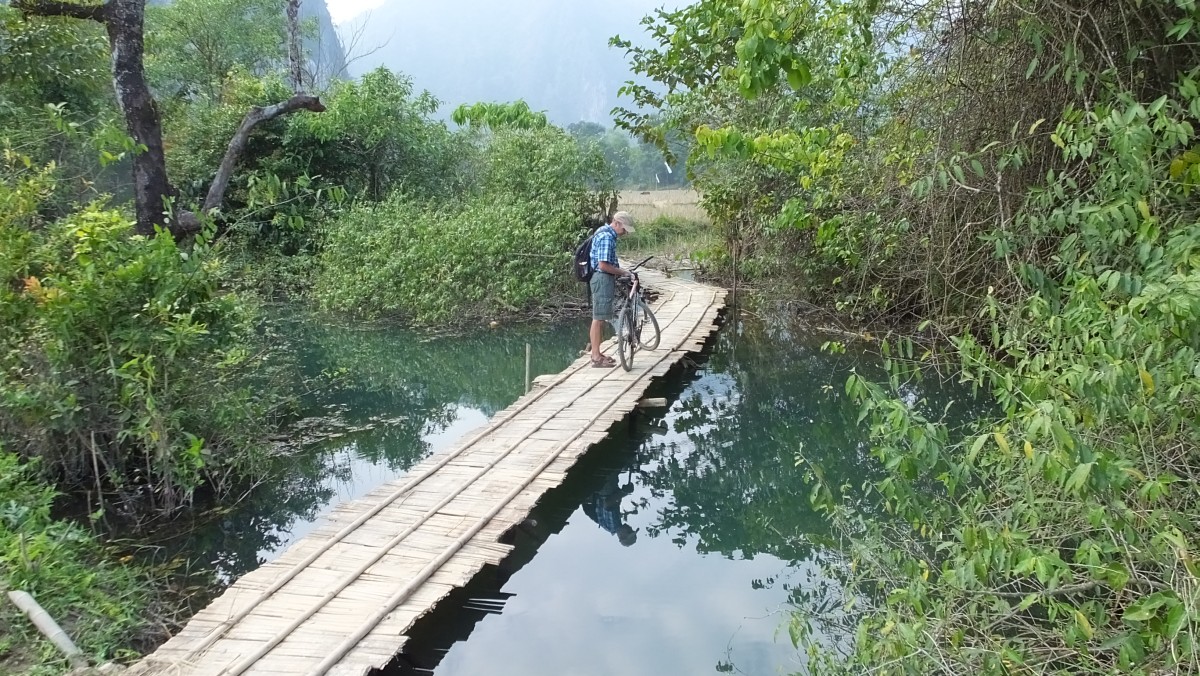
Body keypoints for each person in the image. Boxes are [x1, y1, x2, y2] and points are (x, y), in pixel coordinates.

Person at [588, 211, 635, 368]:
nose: (625, 233)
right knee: (598, 318)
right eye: (624, 229)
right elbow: (603, 265)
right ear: (617, 223)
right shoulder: (607, 237)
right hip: (601, 279)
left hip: (602, 278)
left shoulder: (604, 231)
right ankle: (595, 357)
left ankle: (597, 353)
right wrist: (623, 272)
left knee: (601, 317)